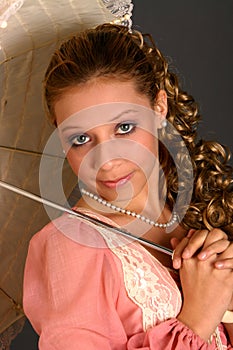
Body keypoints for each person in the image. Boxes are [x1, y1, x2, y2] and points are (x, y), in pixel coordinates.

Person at [23, 23, 233, 349]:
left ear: (158, 108)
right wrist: (196, 320)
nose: (106, 161)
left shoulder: (198, 215)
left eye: (124, 127)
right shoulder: (73, 247)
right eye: (80, 138)